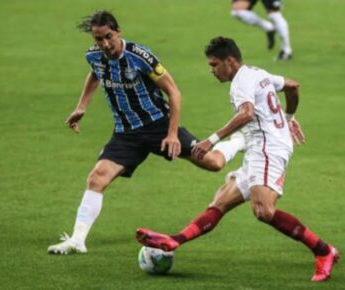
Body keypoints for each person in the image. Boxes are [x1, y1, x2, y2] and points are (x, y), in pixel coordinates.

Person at [136, 36, 339, 282]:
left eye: (214, 65)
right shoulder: (258, 73)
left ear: (230, 61)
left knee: (263, 210)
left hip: (267, 148)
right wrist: (289, 118)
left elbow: (246, 113)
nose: (211, 70)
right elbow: (293, 86)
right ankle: (174, 240)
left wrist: (211, 139)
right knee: (220, 201)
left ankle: (323, 251)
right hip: (261, 146)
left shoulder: (241, 81)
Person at [47, 11, 246, 255]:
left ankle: (239, 140)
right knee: (96, 178)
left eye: (109, 37)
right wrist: (81, 106)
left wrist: (172, 134)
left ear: (118, 31)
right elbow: (95, 74)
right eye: (99, 39)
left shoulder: (140, 56)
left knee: (213, 163)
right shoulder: (94, 57)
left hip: (158, 127)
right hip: (126, 133)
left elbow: (174, 92)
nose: (105, 44)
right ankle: (78, 239)